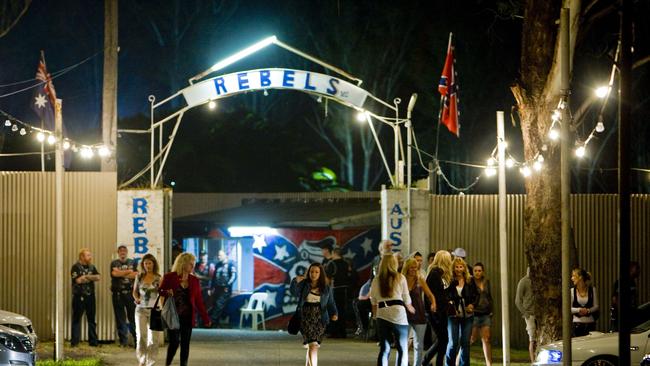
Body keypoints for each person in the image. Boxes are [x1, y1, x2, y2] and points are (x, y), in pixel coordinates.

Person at [160, 252, 211, 366]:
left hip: (188, 317)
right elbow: (160, 291)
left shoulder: (194, 280)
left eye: (194, 264)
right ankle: (167, 363)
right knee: (174, 342)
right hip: (173, 315)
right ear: (183, 264)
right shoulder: (170, 277)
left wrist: (206, 318)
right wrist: (166, 292)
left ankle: (184, 364)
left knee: (185, 343)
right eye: (191, 264)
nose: (193, 267)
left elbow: (198, 301)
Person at [370, 241, 415, 366]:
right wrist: (410, 306)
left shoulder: (376, 279)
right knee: (402, 348)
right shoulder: (400, 277)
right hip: (398, 314)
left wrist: (375, 315)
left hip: (382, 313)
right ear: (394, 263)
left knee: (384, 348)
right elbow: (406, 298)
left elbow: (373, 300)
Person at [290, 262, 338, 366]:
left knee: (313, 346)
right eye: (312, 271)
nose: (314, 274)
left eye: (316, 272)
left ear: (320, 274)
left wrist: (334, 313)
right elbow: (294, 292)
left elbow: (331, 302)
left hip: (320, 319)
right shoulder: (304, 284)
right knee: (313, 345)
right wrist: (295, 281)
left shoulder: (326, 287)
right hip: (305, 318)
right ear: (308, 272)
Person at [402, 257, 437, 366]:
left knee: (418, 345)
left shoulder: (420, 279)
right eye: (411, 267)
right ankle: (404, 363)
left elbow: (430, 295)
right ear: (406, 268)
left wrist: (433, 303)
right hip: (404, 315)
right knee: (403, 343)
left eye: (415, 267)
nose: (413, 269)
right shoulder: (401, 279)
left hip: (419, 314)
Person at [445, 257, 478, 366]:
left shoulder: (470, 280)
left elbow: (476, 295)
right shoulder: (449, 280)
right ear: (453, 268)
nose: (459, 269)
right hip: (453, 314)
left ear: (464, 268)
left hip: (467, 315)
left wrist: (472, 305)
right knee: (453, 343)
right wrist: (450, 302)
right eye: (456, 267)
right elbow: (445, 295)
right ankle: (449, 364)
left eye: (461, 267)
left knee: (465, 343)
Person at [422, 250, 453, 366]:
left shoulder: (441, 274)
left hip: (441, 311)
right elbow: (432, 295)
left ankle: (437, 362)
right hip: (435, 312)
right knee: (443, 339)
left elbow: (442, 293)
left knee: (443, 339)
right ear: (444, 260)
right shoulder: (434, 274)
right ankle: (425, 361)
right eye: (449, 259)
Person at [133, 254, 162, 366]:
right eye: (145, 263)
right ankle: (142, 359)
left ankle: (151, 361)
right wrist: (136, 299)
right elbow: (135, 291)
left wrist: (162, 306)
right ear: (143, 264)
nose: (148, 265)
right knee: (141, 336)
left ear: (153, 264)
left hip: (155, 310)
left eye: (150, 263)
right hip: (140, 309)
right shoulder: (139, 276)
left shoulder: (159, 277)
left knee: (154, 338)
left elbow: (162, 294)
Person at [70, 248, 101, 347]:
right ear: (82, 257)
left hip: (90, 297)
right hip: (79, 297)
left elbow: (98, 277)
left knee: (91, 319)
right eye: (88, 255)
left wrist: (86, 277)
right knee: (76, 319)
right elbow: (78, 280)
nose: (90, 257)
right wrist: (91, 277)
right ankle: (75, 342)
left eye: (90, 255)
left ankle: (93, 342)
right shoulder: (75, 267)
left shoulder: (92, 267)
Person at [110, 245, 138, 347]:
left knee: (133, 318)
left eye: (124, 250)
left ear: (127, 252)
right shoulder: (114, 263)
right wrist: (128, 272)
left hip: (131, 294)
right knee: (120, 318)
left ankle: (136, 341)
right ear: (118, 252)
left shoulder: (133, 262)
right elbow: (114, 274)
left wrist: (121, 273)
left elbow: (136, 275)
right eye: (120, 251)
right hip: (118, 294)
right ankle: (123, 342)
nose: (122, 252)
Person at [325, 247, 352, 338]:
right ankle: (343, 332)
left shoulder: (331, 263)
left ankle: (334, 332)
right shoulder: (346, 263)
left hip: (335, 289)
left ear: (334, 253)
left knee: (333, 310)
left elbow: (328, 279)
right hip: (345, 289)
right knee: (342, 310)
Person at [470, 263, 493, 366]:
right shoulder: (470, 282)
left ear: (482, 271)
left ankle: (489, 364)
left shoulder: (486, 281)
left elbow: (489, 296)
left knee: (487, 339)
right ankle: (458, 361)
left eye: (479, 270)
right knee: (471, 339)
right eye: (475, 271)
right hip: (474, 313)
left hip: (485, 313)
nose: (477, 272)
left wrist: (491, 309)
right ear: (473, 272)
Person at [610, 261, 640, 331]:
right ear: (631, 269)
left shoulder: (632, 282)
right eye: (637, 268)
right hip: (622, 317)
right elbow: (615, 299)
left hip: (631, 316)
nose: (639, 271)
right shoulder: (622, 281)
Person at [209, 250, 236, 327]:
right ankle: (215, 323)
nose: (218, 257)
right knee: (215, 305)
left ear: (225, 256)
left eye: (220, 255)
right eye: (218, 255)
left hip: (225, 290)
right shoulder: (218, 265)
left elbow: (234, 277)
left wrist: (227, 286)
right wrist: (211, 288)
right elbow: (214, 277)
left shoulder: (231, 265)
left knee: (219, 304)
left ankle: (212, 323)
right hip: (217, 288)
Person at [515, 267, 536, 364]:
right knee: (532, 340)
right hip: (530, 315)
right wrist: (526, 314)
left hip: (541, 315)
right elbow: (517, 301)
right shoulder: (523, 281)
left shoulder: (539, 281)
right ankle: (533, 362)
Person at [571, 268, 599, 337]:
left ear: (580, 277)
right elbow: (569, 308)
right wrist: (579, 310)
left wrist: (588, 310)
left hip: (590, 324)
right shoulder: (572, 291)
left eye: (574, 276)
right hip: (577, 324)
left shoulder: (592, 290)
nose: (572, 278)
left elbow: (596, 306)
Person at [194, 252, 214, 327]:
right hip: (197, 289)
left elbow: (211, 278)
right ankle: (197, 323)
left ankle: (205, 323)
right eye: (201, 256)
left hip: (206, 289)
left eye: (204, 256)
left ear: (207, 256)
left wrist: (199, 277)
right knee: (196, 306)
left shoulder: (210, 266)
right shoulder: (196, 265)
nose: (203, 257)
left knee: (205, 307)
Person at [353, 274, 373, 338]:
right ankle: (362, 326)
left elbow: (371, 294)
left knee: (359, 304)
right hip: (369, 299)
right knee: (356, 302)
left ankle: (364, 328)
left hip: (376, 300)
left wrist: (363, 297)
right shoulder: (373, 280)